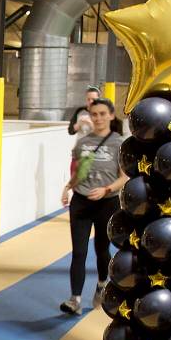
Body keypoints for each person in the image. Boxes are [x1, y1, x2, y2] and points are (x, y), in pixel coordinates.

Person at [60, 97, 127, 315]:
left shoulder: (119, 143)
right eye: (94, 114)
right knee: (79, 252)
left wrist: (106, 190)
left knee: (101, 249)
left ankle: (101, 284)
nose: (97, 118)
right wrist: (67, 187)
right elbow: (79, 171)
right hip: (80, 202)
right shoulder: (83, 143)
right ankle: (74, 299)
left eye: (102, 114)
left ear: (110, 116)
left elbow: (124, 177)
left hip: (107, 203)